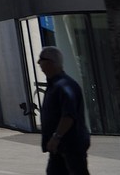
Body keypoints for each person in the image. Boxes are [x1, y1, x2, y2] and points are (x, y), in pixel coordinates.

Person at [38, 46, 91, 175]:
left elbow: (68, 116)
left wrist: (56, 137)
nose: (39, 63)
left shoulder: (64, 86)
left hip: (70, 145)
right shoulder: (54, 85)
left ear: (51, 62)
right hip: (59, 147)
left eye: (41, 59)